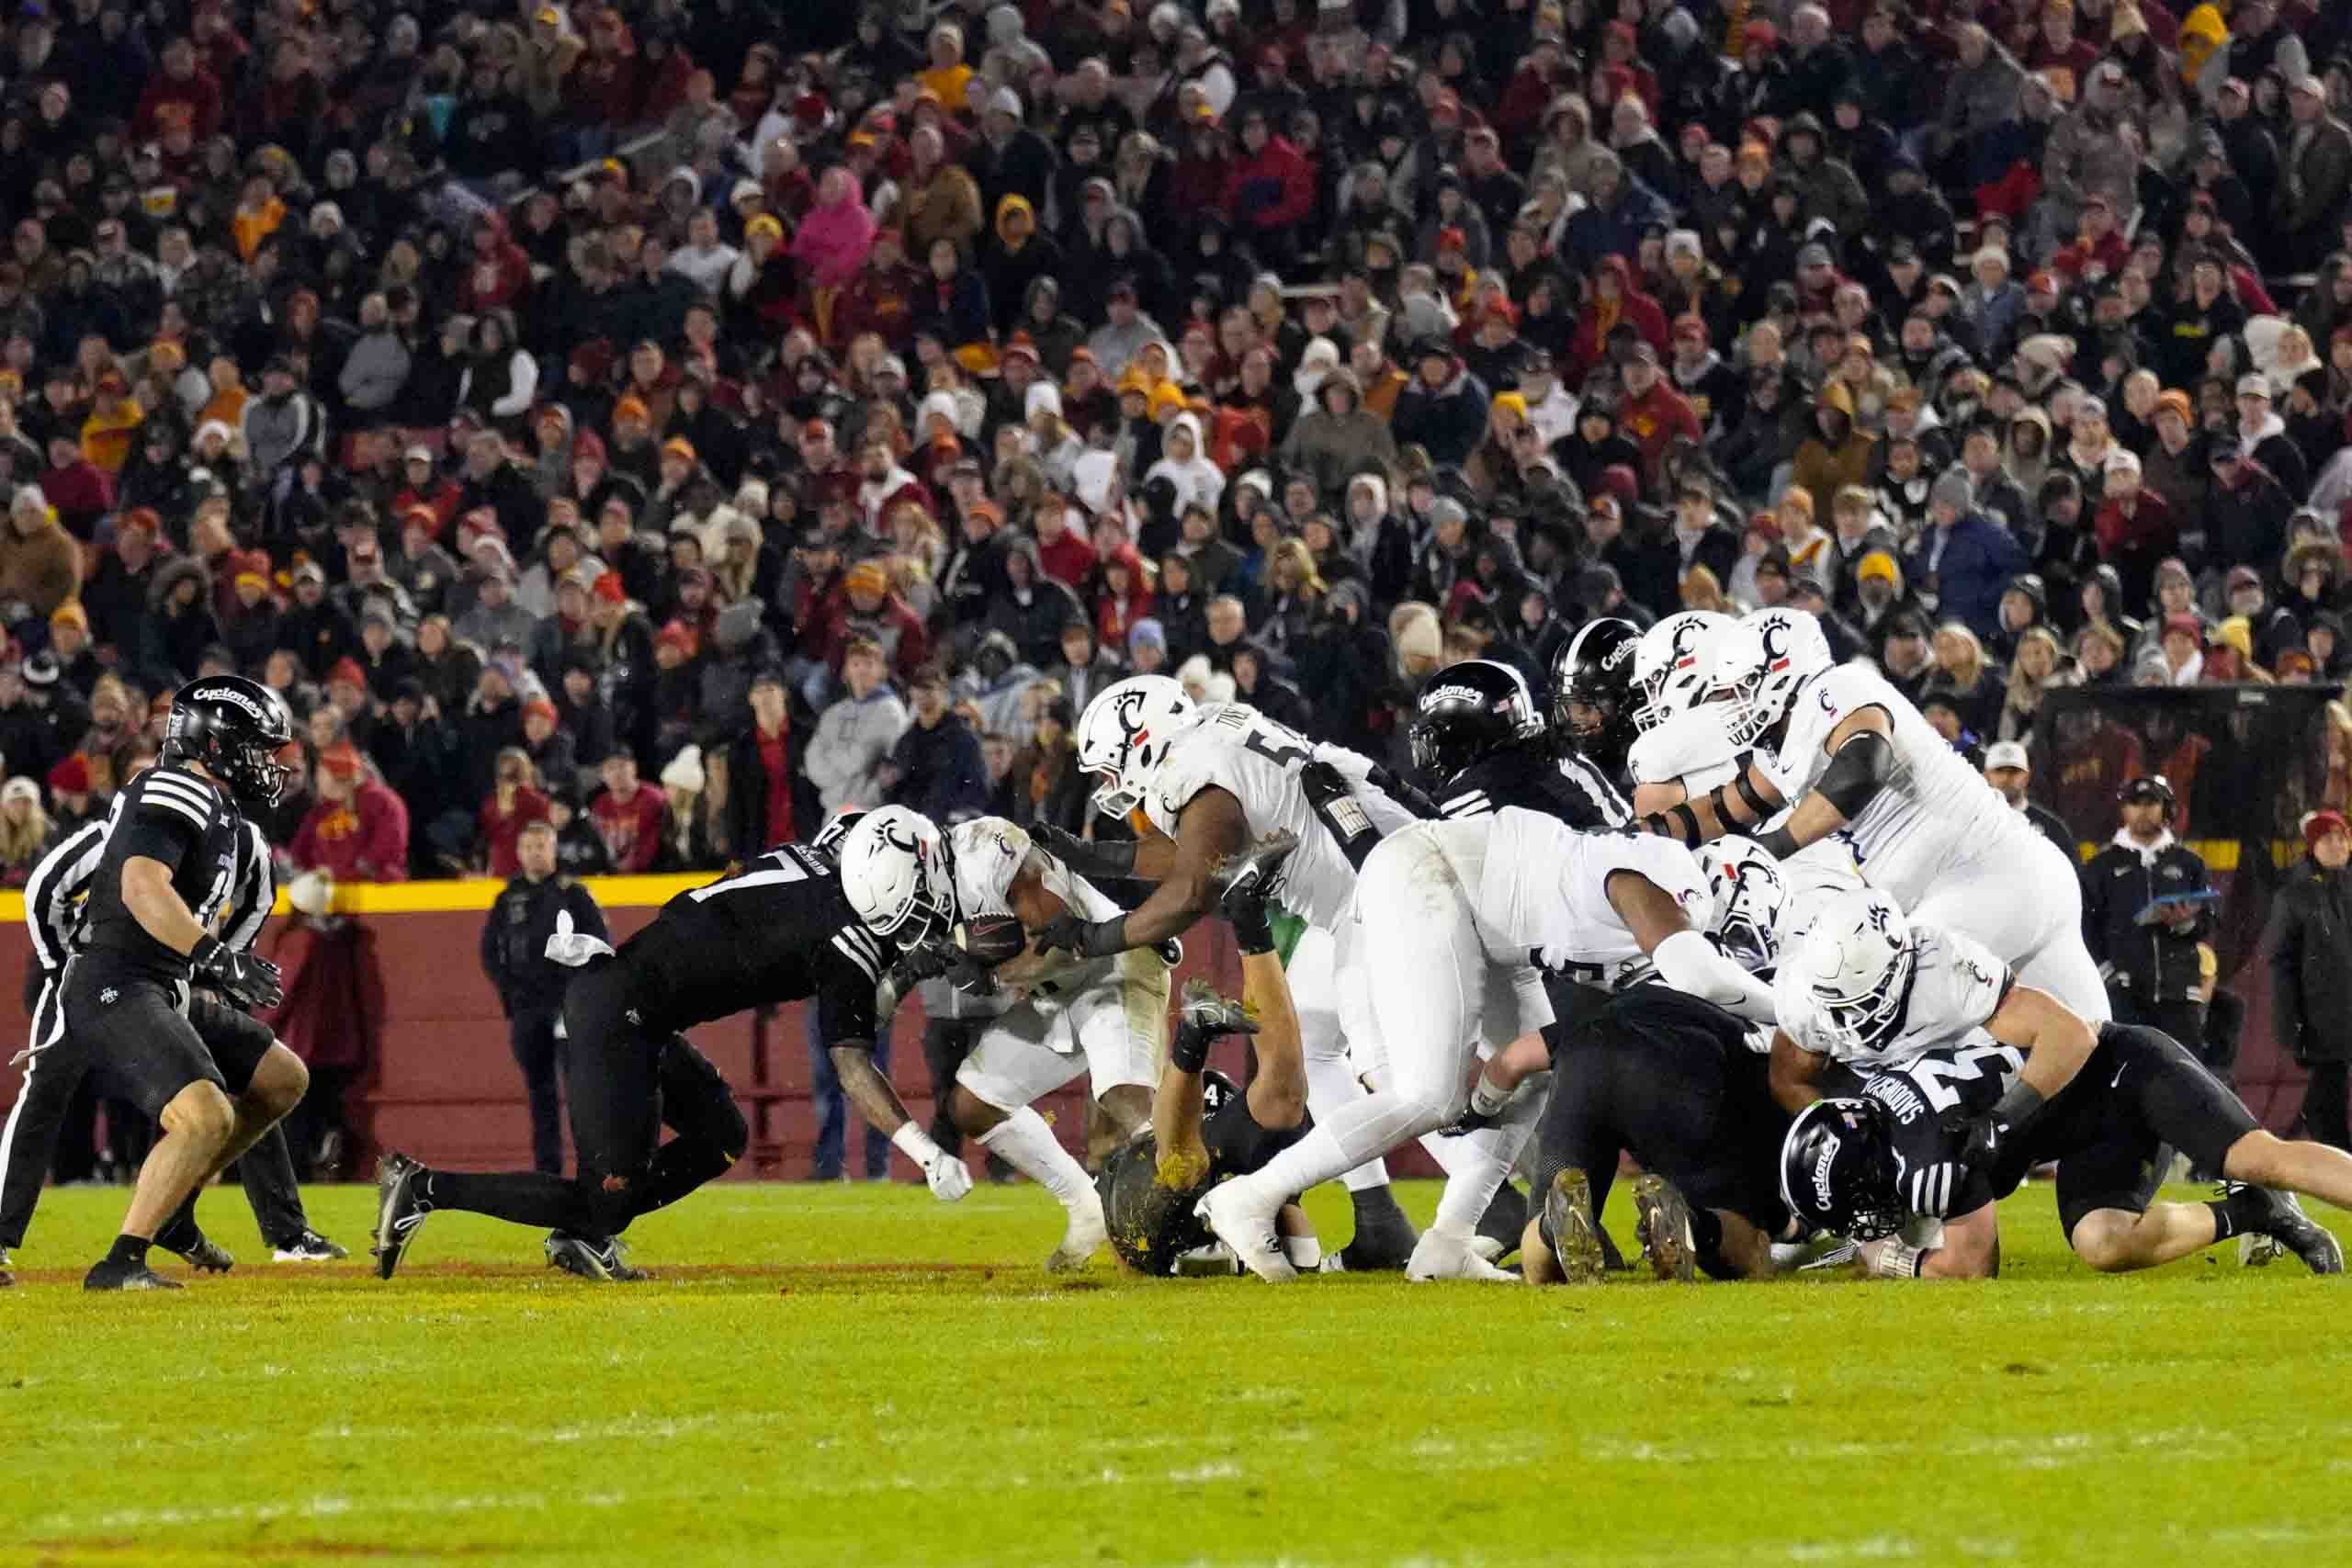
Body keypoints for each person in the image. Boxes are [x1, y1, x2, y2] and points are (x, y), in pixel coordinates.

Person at [1194, 800, 1778, 1282]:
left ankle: (1447, 1243)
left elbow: (1523, 1057)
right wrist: (1792, 1014)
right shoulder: (1661, 873)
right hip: (1432, 875)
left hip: (1492, 925)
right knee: (1429, 1096)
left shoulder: (1646, 883)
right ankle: (1252, 1196)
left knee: (1537, 1081)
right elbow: (1697, 972)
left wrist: (1489, 1103)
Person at [375, 835, 967, 1283]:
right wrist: (925, 1150)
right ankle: (426, 1186)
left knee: (723, 1135)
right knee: (607, 1197)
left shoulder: (819, 854)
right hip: (618, 1016)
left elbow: (748, 876)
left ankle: (584, 1237)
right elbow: (852, 1065)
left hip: (638, 1005)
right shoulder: (842, 939)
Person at [1040, 675, 1423, 1270]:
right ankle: (1378, 1218)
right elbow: (1203, 846)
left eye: (1110, 770)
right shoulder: (1216, 731)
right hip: (1366, 884)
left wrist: (1098, 937)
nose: (1111, 789)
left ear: (1140, 742)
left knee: (1410, 1082)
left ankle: (1494, 1198)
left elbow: (1196, 884)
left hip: (1374, 898)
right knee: (1316, 1048)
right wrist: (1093, 856)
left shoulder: (1191, 766)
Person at [1776, 892, 2349, 1279]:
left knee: (2255, 1155)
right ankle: (2257, 1213)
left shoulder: (1942, 970)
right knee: (2102, 1243)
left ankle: (2265, 1188)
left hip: (2118, 1070)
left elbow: (1972, 1268)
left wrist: (1892, 1258)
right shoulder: (1812, 1011)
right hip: (2078, 1135)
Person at [1637, 607, 2110, 1025]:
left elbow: (1863, 766)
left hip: (1980, 881)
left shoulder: (1837, 685)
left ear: (1781, 669)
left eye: (1741, 688)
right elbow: (1729, 805)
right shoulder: (1781, 744)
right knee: (2097, 1050)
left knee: (1869, 1011)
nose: (1733, 703)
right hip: (2016, 880)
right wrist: (1648, 835)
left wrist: (1774, 846)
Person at [0, 768, 343, 1286]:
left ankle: (277, 1230)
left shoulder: (241, 840)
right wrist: (62, 964)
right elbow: (45, 890)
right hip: (99, 977)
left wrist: (222, 977)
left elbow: (255, 908)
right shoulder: (128, 831)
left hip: (174, 986)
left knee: (265, 1076)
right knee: (47, 1092)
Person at [838, 806, 1170, 1269]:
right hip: (1055, 995)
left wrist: (991, 977)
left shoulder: (988, 850)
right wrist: (911, 972)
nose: (915, 929)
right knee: (973, 1104)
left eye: (913, 912)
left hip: (1115, 966)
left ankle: (1205, 1211)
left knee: (1124, 1098)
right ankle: (1085, 1207)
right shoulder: (936, 887)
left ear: (926, 862)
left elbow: (1055, 941)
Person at [64, 677, 309, 1291]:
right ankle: (121, 1259)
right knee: (204, 1117)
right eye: (255, 746)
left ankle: (175, 1206)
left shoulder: (218, 806)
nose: (265, 762)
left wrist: (208, 965)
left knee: (282, 1078)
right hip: (117, 977)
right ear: (217, 742)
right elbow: (141, 885)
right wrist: (217, 958)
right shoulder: (178, 786)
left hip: (163, 980)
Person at [1097, 835, 1319, 1275]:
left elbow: (1302, 1250)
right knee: (1182, 1168)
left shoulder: (1255, 1173)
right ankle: (1196, 1029)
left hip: (1197, 1146)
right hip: (1153, 1182)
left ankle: (1246, 912)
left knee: (1281, 1100)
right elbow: (1305, 1256)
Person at [480, 820, 608, 1187]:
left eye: (542, 845)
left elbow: (599, 944)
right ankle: (548, 1173)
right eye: (529, 846)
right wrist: (511, 992)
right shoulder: (508, 897)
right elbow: (490, 951)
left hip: (569, 1006)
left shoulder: (574, 893)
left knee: (582, 1089)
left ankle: (593, 1168)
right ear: (519, 853)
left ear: (554, 849)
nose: (536, 853)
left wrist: (581, 993)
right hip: (527, 1007)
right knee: (540, 1092)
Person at [2081, 776, 2213, 1057]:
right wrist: (2108, 975)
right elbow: (2085, 927)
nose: (2142, 810)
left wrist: (2184, 923)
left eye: (2151, 803)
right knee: (2125, 1082)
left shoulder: (2189, 863)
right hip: (2124, 993)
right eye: (2134, 803)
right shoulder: (2100, 866)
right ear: (2123, 810)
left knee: (2185, 1081)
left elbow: (2208, 922)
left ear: (2165, 808)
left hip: (2179, 993)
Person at [1408, 659, 1627, 829]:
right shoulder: (1561, 759)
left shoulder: (1468, 794)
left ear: (1459, 735)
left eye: (1433, 740)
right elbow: (1626, 831)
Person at [2267, 809, 2352, 1151]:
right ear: (2311, 846)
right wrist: (2291, 1025)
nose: (2336, 844)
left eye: (2342, 836)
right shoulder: (2294, 895)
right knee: (2325, 1097)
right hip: (2324, 1017)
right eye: (2326, 837)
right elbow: (2281, 964)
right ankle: (2341, 1166)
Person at [1982, 739, 2074, 855]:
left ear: (2027, 776)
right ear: (1986, 776)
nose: (2006, 778)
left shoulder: (2052, 828)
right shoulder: (1972, 823)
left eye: (2014, 771)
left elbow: (2071, 872)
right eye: (1999, 771)